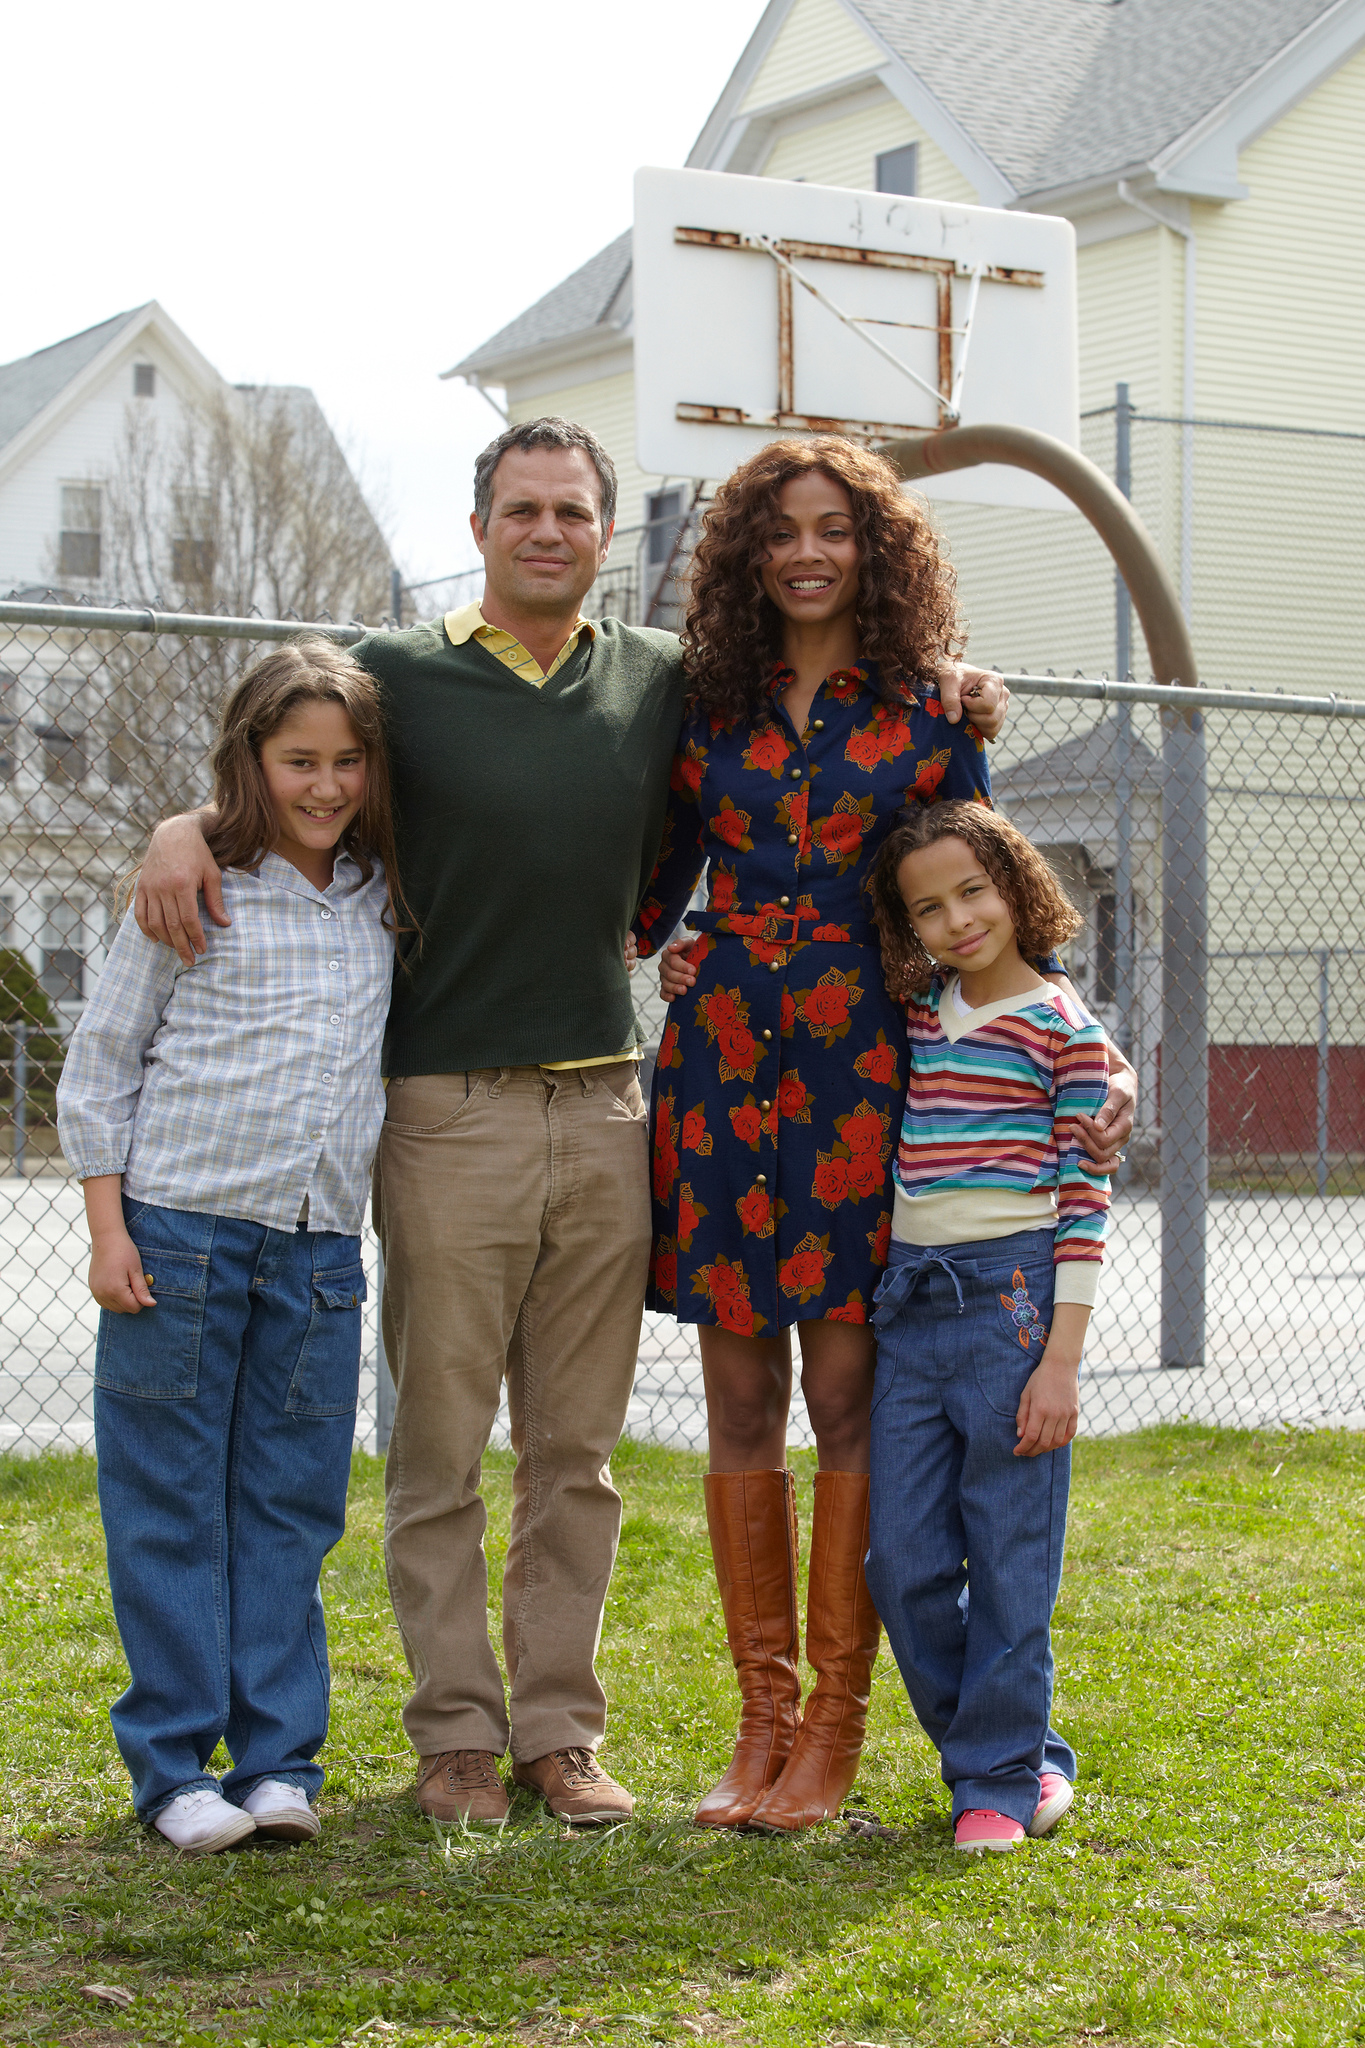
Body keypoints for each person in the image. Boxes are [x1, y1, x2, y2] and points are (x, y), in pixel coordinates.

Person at [130, 418, 1020, 1829]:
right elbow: (295, 754)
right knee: (454, 1445)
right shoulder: (475, 682)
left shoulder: (715, 686)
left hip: (690, 1091)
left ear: (607, 535)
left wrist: (964, 700)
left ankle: (607, 1734)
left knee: (595, 1448)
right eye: (522, 508)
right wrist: (185, 827)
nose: (547, 530)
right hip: (535, 1096)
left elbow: (978, 884)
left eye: (572, 511)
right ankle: (491, 1741)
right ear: (481, 521)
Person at [638, 437, 1135, 1834]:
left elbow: (989, 907)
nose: (807, 551)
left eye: (836, 529)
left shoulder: (932, 713)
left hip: (867, 1075)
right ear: (746, 552)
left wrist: (1098, 1063)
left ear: (875, 549)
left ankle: (841, 1726)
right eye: (780, 531)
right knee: (739, 1399)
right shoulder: (700, 706)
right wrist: (679, 949)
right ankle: (762, 1724)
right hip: (726, 1067)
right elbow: (639, 883)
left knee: (847, 1395)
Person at [56, 641, 403, 1855]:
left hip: (317, 1251)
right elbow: (101, 1064)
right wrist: (107, 1230)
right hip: (181, 1236)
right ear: (251, 760)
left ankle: (276, 1762)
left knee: (290, 1510)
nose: (323, 784)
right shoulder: (190, 885)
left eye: (346, 760)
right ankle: (172, 1767)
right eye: (298, 758)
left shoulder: (383, 893)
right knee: (166, 1505)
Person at [863, 801, 1109, 1852]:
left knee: (1009, 1554)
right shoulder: (917, 1012)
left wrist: (1060, 1362)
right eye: (929, 906)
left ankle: (996, 1781)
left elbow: (1085, 1204)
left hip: (1013, 1309)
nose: (958, 918)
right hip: (910, 1308)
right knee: (903, 1561)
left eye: (973, 889)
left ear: (1016, 883)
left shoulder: (1066, 1030)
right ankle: (1016, 1753)